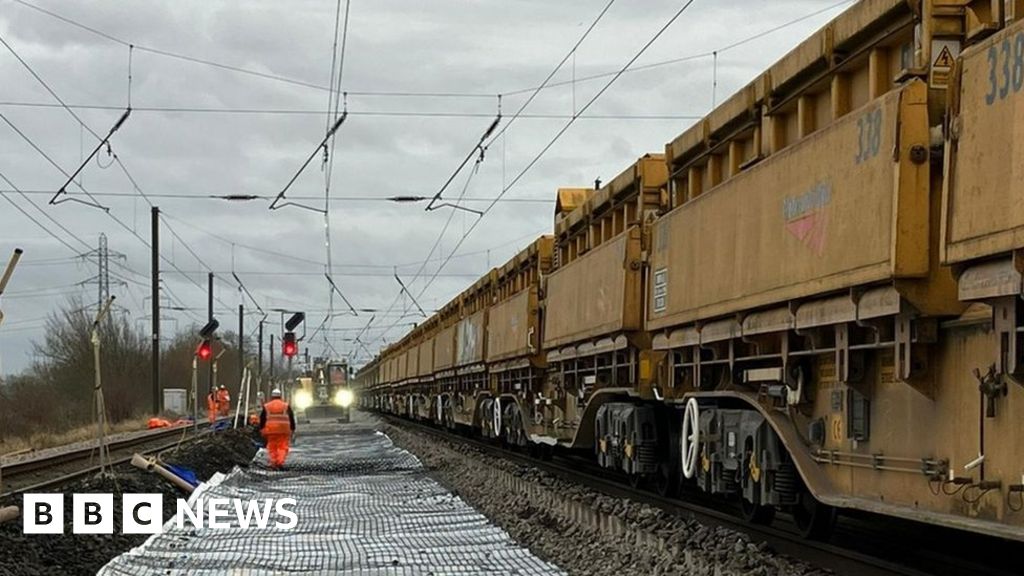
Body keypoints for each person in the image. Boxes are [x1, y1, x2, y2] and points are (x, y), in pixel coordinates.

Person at [259, 388, 295, 470]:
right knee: (282, 447)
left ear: (272, 396)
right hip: (284, 430)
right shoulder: (285, 405)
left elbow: (262, 418)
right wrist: (292, 428)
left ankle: (274, 462)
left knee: (272, 447)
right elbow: (291, 417)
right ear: (280, 396)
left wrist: (261, 429)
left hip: (270, 430)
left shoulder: (267, 406)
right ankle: (280, 462)